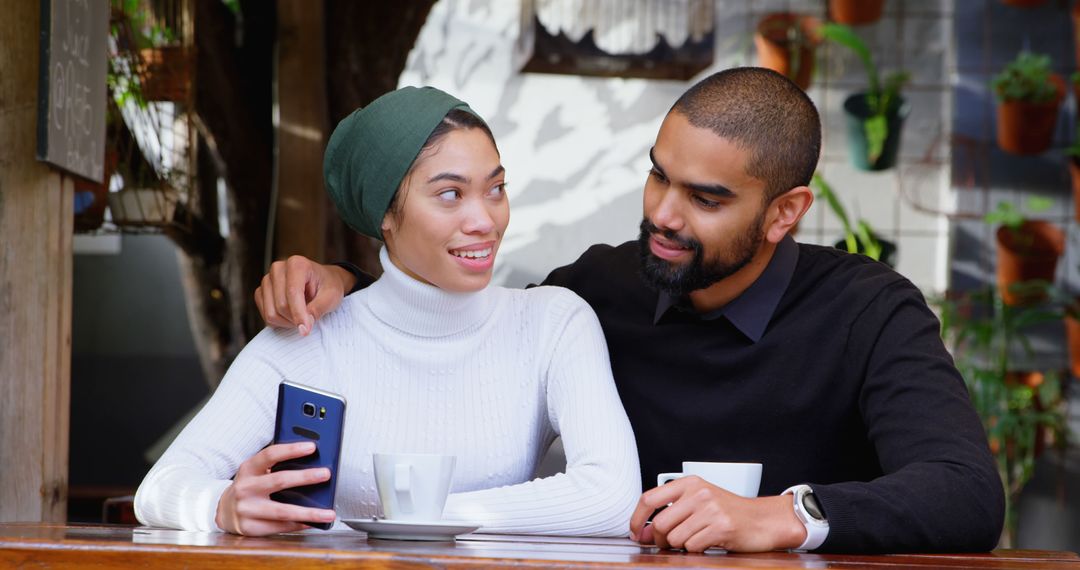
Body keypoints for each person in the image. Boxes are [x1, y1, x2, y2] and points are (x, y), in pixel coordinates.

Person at [254, 68, 1004, 554]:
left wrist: (784, 515)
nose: (663, 215)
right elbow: (476, 328)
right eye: (658, 176)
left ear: (785, 212)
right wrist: (347, 281)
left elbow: (966, 491)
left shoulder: (869, 310)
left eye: (706, 199)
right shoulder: (599, 286)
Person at [134, 86, 640, 537]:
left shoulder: (553, 324)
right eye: (450, 194)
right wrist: (221, 506)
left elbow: (611, 497)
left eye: (495, 189)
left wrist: (418, 519)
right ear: (385, 217)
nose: (484, 220)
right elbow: (161, 487)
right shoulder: (308, 339)